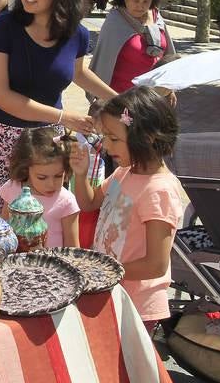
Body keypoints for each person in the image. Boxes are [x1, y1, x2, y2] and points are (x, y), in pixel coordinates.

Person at [0, 0, 117, 213]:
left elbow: (78, 73)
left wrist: (120, 99)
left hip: (46, 148)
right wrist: (64, 117)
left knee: (43, 221)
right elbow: (1, 96)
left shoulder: (77, 33)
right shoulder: (3, 27)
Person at [70, 86, 182, 333]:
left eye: (114, 139)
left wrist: (100, 269)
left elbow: (156, 264)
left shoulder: (159, 191)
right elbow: (89, 203)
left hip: (136, 307)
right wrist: (80, 175)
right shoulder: (124, 172)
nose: (106, 146)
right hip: (111, 291)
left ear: (148, 137)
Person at [89, 0, 175, 93]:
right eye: (135, 0)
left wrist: (169, 88)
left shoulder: (156, 16)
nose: (140, 6)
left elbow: (167, 55)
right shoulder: (115, 22)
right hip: (120, 96)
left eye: (146, 1)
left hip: (152, 96)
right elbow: (103, 62)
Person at [0, 127, 80, 248]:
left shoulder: (67, 201)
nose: (51, 184)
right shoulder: (12, 188)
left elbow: (73, 248)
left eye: (58, 176)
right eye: (42, 177)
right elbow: (3, 227)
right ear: (26, 169)